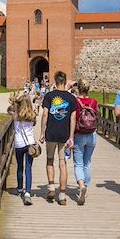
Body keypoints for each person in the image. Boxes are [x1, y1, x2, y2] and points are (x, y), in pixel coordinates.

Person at [40, 71, 78, 206]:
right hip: (64, 134)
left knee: (50, 160)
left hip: (51, 133)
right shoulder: (71, 98)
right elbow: (73, 118)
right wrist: (71, 136)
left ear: (55, 82)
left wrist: (42, 132)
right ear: (65, 81)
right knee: (62, 163)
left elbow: (45, 115)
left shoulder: (49, 96)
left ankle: (51, 187)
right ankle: (62, 195)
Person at [73, 79, 98, 205]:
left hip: (79, 134)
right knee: (87, 162)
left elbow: (73, 119)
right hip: (92, 135)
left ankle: (81, 185)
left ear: (79, 88)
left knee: (78, 163)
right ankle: (86, 188)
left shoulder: (75, 101)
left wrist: (70, 136)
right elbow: (97, 116)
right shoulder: (94, 101)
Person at [11, 92, 37, 206]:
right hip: (30, 144)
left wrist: (15, 102)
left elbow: (9, 109)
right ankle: (28, 192)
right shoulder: (32, 115)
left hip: (19, 144)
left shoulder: (16, 115)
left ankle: (20, 188)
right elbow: (34, 124)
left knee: (20, 167)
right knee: (28, 168)